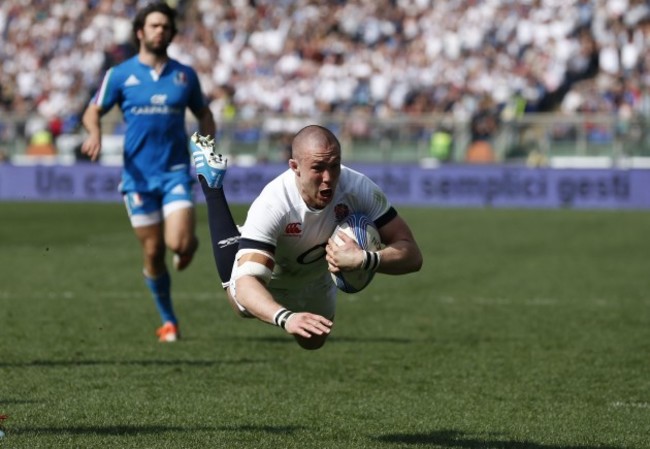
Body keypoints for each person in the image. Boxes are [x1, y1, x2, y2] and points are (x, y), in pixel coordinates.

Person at [190, 125, 422, 350]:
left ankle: (250, 242)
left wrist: (365, 259)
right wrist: (286, 318)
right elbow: (246, 285)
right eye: (318, 167)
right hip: (275, 274)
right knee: (241, 303)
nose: (328, 177)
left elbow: (412, 255)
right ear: (295, 166)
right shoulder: (274, 202)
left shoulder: (358, 188)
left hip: (315, 276)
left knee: (313, 340)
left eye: (334, 165)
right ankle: (213, 188)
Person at [80, 2, 216, 342]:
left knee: (178, 242)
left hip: (174, 173)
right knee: (154, 252)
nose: (161, 31)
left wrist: (205, 147)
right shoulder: (120, 74)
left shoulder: (185, 75)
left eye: (166, 27)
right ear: (140, 32)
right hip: (138, 178)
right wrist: (94, 133)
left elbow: (205, 114)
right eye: (154, 26)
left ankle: (188, 244)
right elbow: (92, 111)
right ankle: (168, 320)